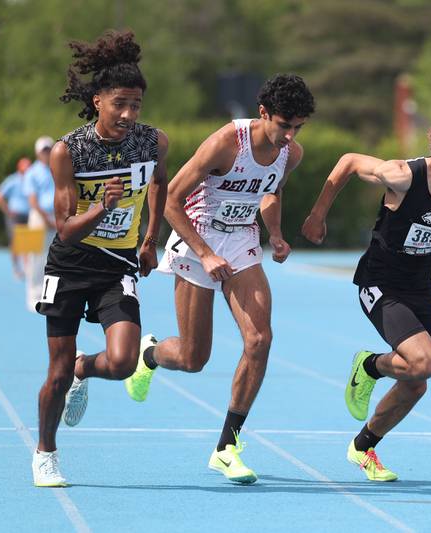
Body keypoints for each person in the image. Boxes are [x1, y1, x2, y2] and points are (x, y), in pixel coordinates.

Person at [302, 78, 431, 481]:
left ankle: (363, 447)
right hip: (380, 282)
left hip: (420, 286)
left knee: (417, 381)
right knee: (426, 362)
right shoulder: (403, 176)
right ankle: (370, 366)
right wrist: (318, 214)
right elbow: (349, 162)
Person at [123, 74, 315, 484]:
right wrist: (207, 254)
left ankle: (226, 447)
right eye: (284, 125)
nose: (290, 136)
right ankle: (151, 355)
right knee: (194, 359)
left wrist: (277, 235)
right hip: (198, 239)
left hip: (243, 239)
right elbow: (173, 198)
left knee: (260, 340)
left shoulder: (290, 153)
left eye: (298, 127)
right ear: (264, 114)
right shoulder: (227, 143)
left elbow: (270, 193)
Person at [32, 30, 168, 487]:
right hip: (70, 266)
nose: (129, 114)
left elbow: (159, 184)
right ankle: (46, 452)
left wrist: (150, 237)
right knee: (53, 371)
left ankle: (83, 369)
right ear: (97, 101)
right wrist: (101, 208)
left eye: (137, 105)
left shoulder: (152, 142)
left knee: (126, 362)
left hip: (118, 265)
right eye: (120, 104)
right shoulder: (68, 151)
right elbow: (65, 229)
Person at [23, 136, 56, 311]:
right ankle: (33, 297)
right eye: (44, 150)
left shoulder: (56, 169)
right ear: (37, 153)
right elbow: (33, 200)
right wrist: (46, 219)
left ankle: (48, 296)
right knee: (35, 257)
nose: (46, 153)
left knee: (53, 258)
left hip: (55, 216)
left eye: (48, 150)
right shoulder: (32, 172)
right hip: (38, 217)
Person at [0, 157, 32, 278]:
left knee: (27, 242)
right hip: (15, 215)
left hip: (29, 215)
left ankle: (27, 268)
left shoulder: (31, 180)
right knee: (16, 242)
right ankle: (16, 268)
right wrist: (7, 211)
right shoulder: (13, 180)